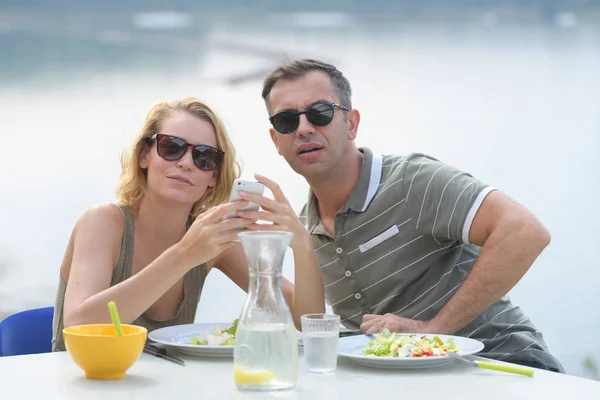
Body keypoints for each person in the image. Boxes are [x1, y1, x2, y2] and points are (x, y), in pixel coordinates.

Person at [260, 59, 564, 372]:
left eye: (319, 112)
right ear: (276, 141)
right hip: (417, 383)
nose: (304, 129)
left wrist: (433, 329)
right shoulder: (307, 230)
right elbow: (310, 325)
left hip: (505, 366)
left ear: (351, 124)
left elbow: (525, 232)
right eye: (286, 121)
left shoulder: (410, 182)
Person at [51, 97, 324, 351]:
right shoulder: (103, 223)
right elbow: (78, 327)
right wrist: (184, 255)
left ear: (214, 177)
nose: (185, 163)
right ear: (144, 155)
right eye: (172, 148)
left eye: (204, 157)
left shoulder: (210, 240)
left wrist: (302, 246)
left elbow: (307, 322)